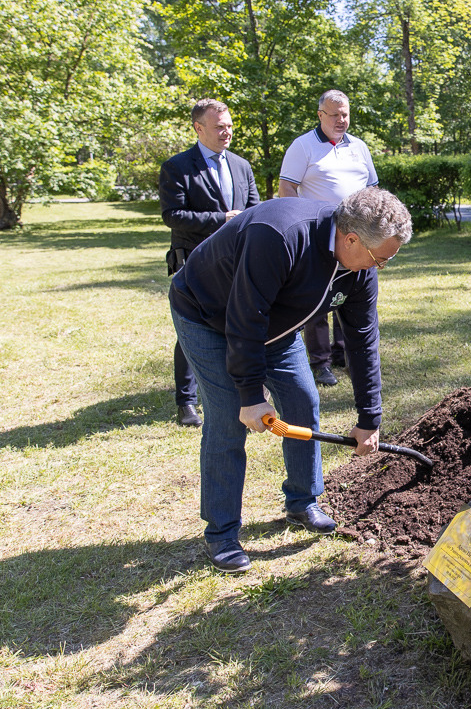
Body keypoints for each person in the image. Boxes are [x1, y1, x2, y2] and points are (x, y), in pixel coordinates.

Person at [169, 187, 412, 572]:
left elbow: (362, 341)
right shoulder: (280, 236)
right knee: (230, 415)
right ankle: (222, 534)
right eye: (379, 260)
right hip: (209, 315)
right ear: (351, 239)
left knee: (303, 399)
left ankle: (303, 501)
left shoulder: (360, 267)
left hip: (275, 323)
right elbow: (245, 317)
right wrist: (250, 393)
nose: (378, 268)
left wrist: (370, 418)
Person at [159, 99, 261, 426]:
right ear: (198, 128)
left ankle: (240, 388)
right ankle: (186, 402)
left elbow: (254, 208)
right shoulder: (177, 167)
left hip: (236, 262)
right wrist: (221, 219)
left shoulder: (242, 166)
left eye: (229, 125)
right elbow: (172, 216)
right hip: (195, 263)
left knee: (240, 323)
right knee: (193, 328)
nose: (226, 132)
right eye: (219, 127)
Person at [278, 89, 379, 389]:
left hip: (357, 237)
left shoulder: (359, 147)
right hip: (319, 237)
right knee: (319, 297)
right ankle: (320, 363)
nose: (341, 120)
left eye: (345, 114)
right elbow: (287, 189)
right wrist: (300, 227)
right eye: (334, 114)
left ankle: (344, 353)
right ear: (320, 115)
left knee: (350, 294)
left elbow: (372, 188)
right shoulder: (303, 146)